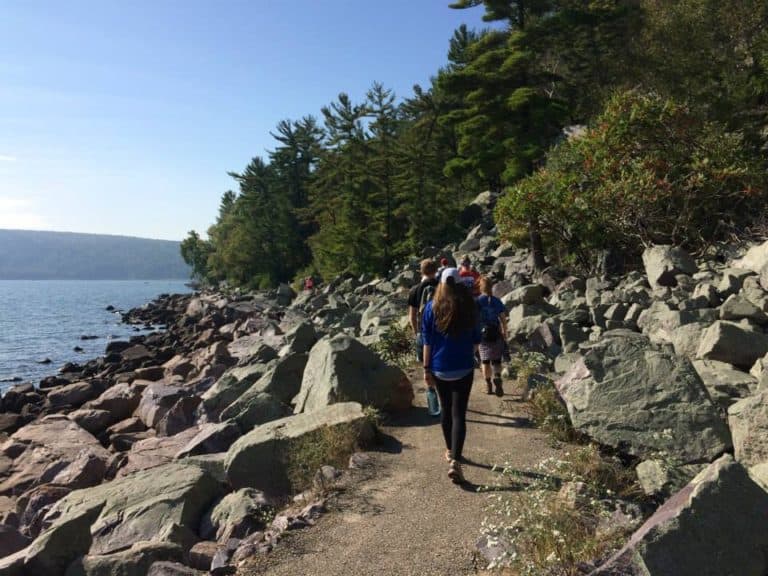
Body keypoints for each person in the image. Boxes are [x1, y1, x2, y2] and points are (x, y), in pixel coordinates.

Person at [422, 267, 481, 483]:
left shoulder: (431, 307)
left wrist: (426, 369)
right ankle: (456, 459)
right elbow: (476, 340)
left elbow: (426, 341)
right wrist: (466, 354)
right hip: (463, 367)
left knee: (445, 410)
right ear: (459, 283)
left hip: (438, 368)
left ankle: (449, 450)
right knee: (459, 414)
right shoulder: (469, 307)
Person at [477, 276, 508, 396]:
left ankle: (488, 385)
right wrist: (505, 332)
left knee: (485, 361)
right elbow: (503, 319)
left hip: (482, 335)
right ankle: (498, 377)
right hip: (496, 333)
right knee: (496, 360)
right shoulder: (497, 301)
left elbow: (474, 318)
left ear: (481, 287)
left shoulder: (478, 301)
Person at [408, 259, 439, 362]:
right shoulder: (443, 287)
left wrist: (416, 333)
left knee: (425, 364)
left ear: (421, 272)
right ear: (436, 270)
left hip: (423, 331)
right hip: (441, 330)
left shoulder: (414, 289)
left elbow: (412, 316)